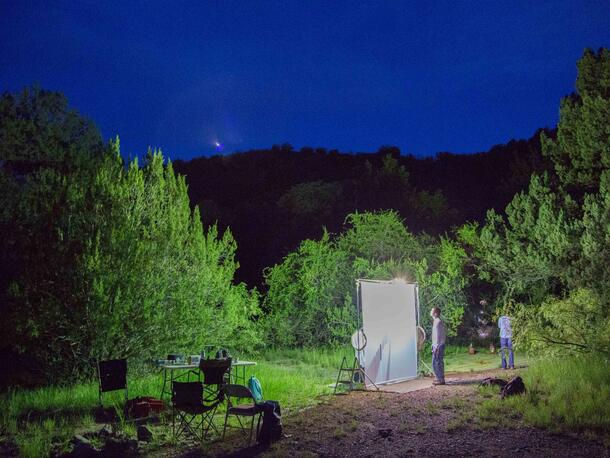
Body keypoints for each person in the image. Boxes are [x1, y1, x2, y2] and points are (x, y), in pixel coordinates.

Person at [430, 306, 446, 385]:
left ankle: (440, 379)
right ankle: (439, 378)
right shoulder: (436, 321)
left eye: (432, 310)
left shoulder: (438, 322)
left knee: (437, 362)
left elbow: (438, 335)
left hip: (438, 345)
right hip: (437, 345)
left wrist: (436, 347)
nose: (431, 311)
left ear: (435, 313)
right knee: (436, 361)